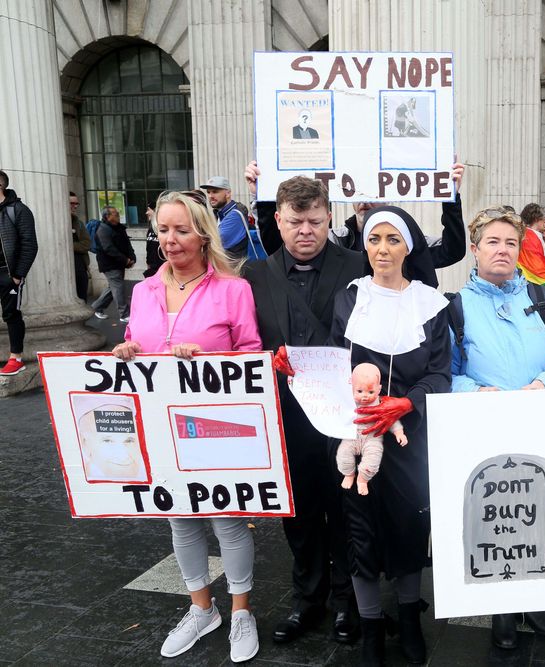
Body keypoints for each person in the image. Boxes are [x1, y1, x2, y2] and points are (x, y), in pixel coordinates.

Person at [111, 190, 263, 662]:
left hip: (215, 425)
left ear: (202, 234)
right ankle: (202, 608)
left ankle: (241, 611)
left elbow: (250, 354)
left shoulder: (233, 289)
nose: (170, 239)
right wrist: (126, 350)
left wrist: (209, 358)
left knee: (227, 519)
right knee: (180, 518)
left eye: (181, 230)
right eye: (163, 230)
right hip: (160, 426)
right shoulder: (143, 291)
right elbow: (137, 339)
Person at [451, 206, 545, 650]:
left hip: (541, 425)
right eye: (493, 241)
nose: (503, 250)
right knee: (496, 517)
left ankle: (536, 597)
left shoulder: (543, 300)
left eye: (511, 242)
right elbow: (443, 374)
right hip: (483, 430)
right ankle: (502, 606)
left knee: (537, 511)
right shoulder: (455, 308)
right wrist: (476, 392)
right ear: (475, 249)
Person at [243, 176, 366, 646]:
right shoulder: (256, 274)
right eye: (295, 222)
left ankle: (348, 601)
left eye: (315, 220)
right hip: (286, 417)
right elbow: (245, 340)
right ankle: (307, 599)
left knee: (346, 508)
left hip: (342, 416)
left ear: (329, 217)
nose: (306, 230)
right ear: (277, 220)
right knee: (298, 513)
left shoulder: (357, 264)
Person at [328, 205, 451, 665]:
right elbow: (333, 363)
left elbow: (440, 374)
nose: (382, 249)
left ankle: (410, 619)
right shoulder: (350, 298)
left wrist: (405, 403)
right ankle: (371, 629)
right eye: (374, 239)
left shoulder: (430, 305)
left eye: (393, 239)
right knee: (358, 531)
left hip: (406, 437)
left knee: (408, 528)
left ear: (408, 248)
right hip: (356, 437)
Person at [244, 160, 467, 274]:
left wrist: (450, 198)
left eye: (373, 193)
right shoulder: (336, 239)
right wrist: (263, 198)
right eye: (357, 193)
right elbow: (280, 247)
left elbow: (451, 251)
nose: (364, 201)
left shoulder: (406, 241)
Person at [337, 363, 407, 496]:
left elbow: (392, 419)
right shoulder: (347, 401)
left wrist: (399, 432)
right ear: (351, 387)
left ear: (379, 389)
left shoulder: (382, 404)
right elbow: (336, 412)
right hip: (351, 437)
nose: (365, 396)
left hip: (372, 438)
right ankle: (349, 474)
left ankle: (362, 480)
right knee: (343, 454)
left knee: (373, 460)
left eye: (371, 392)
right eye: (359, 391)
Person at [0, 170, 38, 376]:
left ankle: (16, 358)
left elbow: (30, 244)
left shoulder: (18, 210)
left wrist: (17, 275)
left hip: (7, 274)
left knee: (11, 314)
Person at [91, 205, 135, 323]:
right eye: (115, 214)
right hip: (110, 264)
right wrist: (125, 260)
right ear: (107, 216)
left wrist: (132, 257)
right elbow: (108, 248)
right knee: (118, 287)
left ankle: (96, 307)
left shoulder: (119, 228)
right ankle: (124, 314)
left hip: (119, 263)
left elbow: (127, 244)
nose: (118, 216)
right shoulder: (103, 229)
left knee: (113, 287)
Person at [200, 176, 252, 258]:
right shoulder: (218, 213)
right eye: (208, 192)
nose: (210, 196)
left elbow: (214, 243)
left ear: (228, 193)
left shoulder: (235, 215)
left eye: (215, 192)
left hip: (235, 265)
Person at [70, 191, 91, 301]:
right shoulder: (57, 223)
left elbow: (87, 244)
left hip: (80, 267)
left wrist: (69, 246)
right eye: (71, 203)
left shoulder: (79, 223)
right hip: (65, 269)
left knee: (82, 299)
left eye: (76, 203)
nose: (75, 206)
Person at [143, 202, 166, 278]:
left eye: (148, 210)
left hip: (163, 269)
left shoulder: (163, 229)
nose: (146, 213)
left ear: (155, 211)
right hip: (152, 269)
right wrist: (148, 265)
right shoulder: (150, 229)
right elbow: (149, 249)